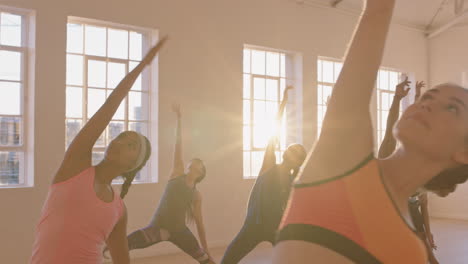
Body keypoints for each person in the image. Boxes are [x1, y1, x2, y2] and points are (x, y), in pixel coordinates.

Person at [274, 0, 468, 262]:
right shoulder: (341, 160)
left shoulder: (411, 252)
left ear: (464, 152)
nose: (429, 105)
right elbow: (378, 11)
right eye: (427, 98)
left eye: (452, 109)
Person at [30, 37, 167, 264]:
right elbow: (107, 108)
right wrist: (141, 68)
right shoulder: (75, 168)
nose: (120, 142)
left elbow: (122, 259)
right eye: (121, 137)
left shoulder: (118, 210)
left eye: (131, 145)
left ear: (134, 165)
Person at [119, 104, 215, 264]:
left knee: (206, 261)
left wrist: (207, 251)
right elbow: (178, 145)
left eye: (198, 164)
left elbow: (200, 224)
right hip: (157, 229)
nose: (193, 163)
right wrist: (179, 118)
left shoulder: (196, 195)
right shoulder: (177, 173)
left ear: (201, 172)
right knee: (122, 245)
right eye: (192, 162)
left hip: (180, 232)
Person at [221, 86, 306, 264]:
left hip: (275, 226)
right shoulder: (269, 164)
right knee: (230, 258)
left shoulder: (294, 179)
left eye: (296, 153)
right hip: (254, 224)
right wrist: (283, 104)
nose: (291, 152)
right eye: (291, 149)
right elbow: (274, 129)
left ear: (298, 161)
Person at [378, 78, 440, 264]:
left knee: (427, 253)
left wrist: (428, 233)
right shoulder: (387, 154)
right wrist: (397, 99)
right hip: (388, 216)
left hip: (410, 214)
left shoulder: (419, 164)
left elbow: (424, 205)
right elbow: (390, 126)